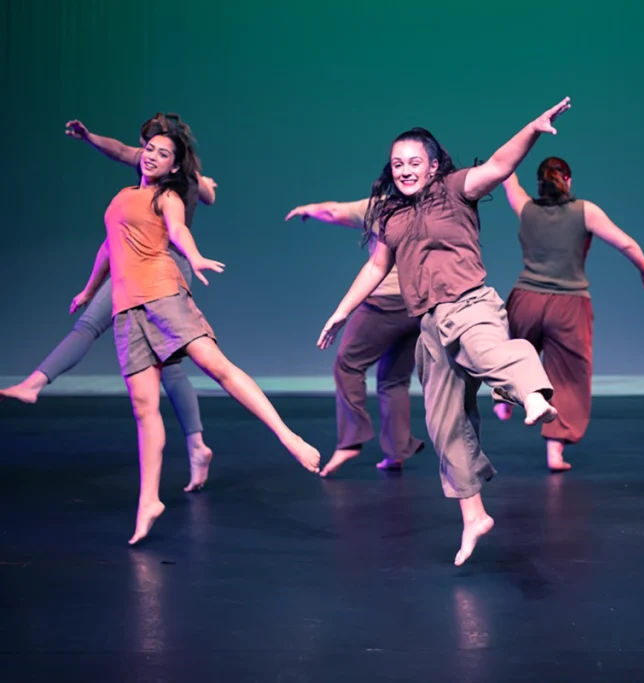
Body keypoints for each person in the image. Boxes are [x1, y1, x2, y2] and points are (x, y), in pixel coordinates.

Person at [316, 98, 572, 566]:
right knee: (444, 425)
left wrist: (533, 128)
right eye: (398, 164)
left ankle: (533, 394)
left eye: (415, 162)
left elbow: (498, 164)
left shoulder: (455, 189)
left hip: (470, 304)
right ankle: (473, 515)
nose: (405, 170)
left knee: (487, 351)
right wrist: (340, 311)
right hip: (431, 326)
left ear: (434, 166)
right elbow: (375, 268)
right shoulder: (391, 216)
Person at [78, 120, 320, 545]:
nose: (152, 155)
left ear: (173, 167)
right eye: (149, 149)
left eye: (163, 153)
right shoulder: (122, 197)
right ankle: (148, 500)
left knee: (215, 366)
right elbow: (107, 247)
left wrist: (196, 256)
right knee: (142, 406)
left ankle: (289, 437)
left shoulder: (166, 196)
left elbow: (179, 231)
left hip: (163, 293)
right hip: (126, 308)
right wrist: (87, 290)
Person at [0, 114, 219, 492]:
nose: (145, 154)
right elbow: (118, 152)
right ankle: (197, 446)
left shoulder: (181, 178)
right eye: (146, 147)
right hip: (133, 261)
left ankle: (36, 382)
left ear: (174, 154)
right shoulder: (149, 176)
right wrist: (88, 138)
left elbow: (202, 201)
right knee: (161, 364)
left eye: (154, 147)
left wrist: (202, 185)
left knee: (162, 363)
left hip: (162, 266)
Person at [492, 157, 644, 471]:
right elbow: (624, 242)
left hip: (526, 299)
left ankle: (503, 398)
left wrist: (508, 161)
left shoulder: (526, 209)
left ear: (540, 183)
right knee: (568, 377)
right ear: (567, 181)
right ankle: (555, 452)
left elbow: (508, 181)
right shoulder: (585, 211)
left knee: (515, 353)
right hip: (568, 306)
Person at [284, 199, 424, 475]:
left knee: (348, 365)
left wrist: (309, 209)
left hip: (385, 300)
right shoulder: (430, 207)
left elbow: (334, 211)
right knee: (394, 380)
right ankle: (396, 451)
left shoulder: (381, 205)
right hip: (418, 305)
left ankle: (351, 439)